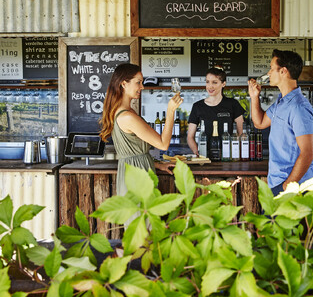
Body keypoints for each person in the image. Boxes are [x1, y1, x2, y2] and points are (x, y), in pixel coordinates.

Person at [99, 63, 183, 197]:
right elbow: (163, 144)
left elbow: (133, 152)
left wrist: (157, 165)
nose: (142, 87)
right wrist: (171, 110)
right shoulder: (127, 117)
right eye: (138, 82)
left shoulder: (120, 111)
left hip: (135, 173)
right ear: (124, 84)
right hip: (137, 177)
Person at [248, 50, 313, 196]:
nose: (269, 73)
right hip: (279, 183)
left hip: (293, 187)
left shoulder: (298, 108)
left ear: (283, 71)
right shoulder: (281, 102)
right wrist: (254, 97)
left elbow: (308, 153)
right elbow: (259, 123)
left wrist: (288, 185)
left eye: (272, 68)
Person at [186, 66, 245, 156]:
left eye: (214, 82)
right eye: (207, 82)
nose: (210, 86)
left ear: (223, 84)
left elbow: (241, 134)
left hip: (229, 156)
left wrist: (237, 153)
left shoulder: (233, 104)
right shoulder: (197, 106)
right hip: (205, 156)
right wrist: (197, 152)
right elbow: (190, 137)